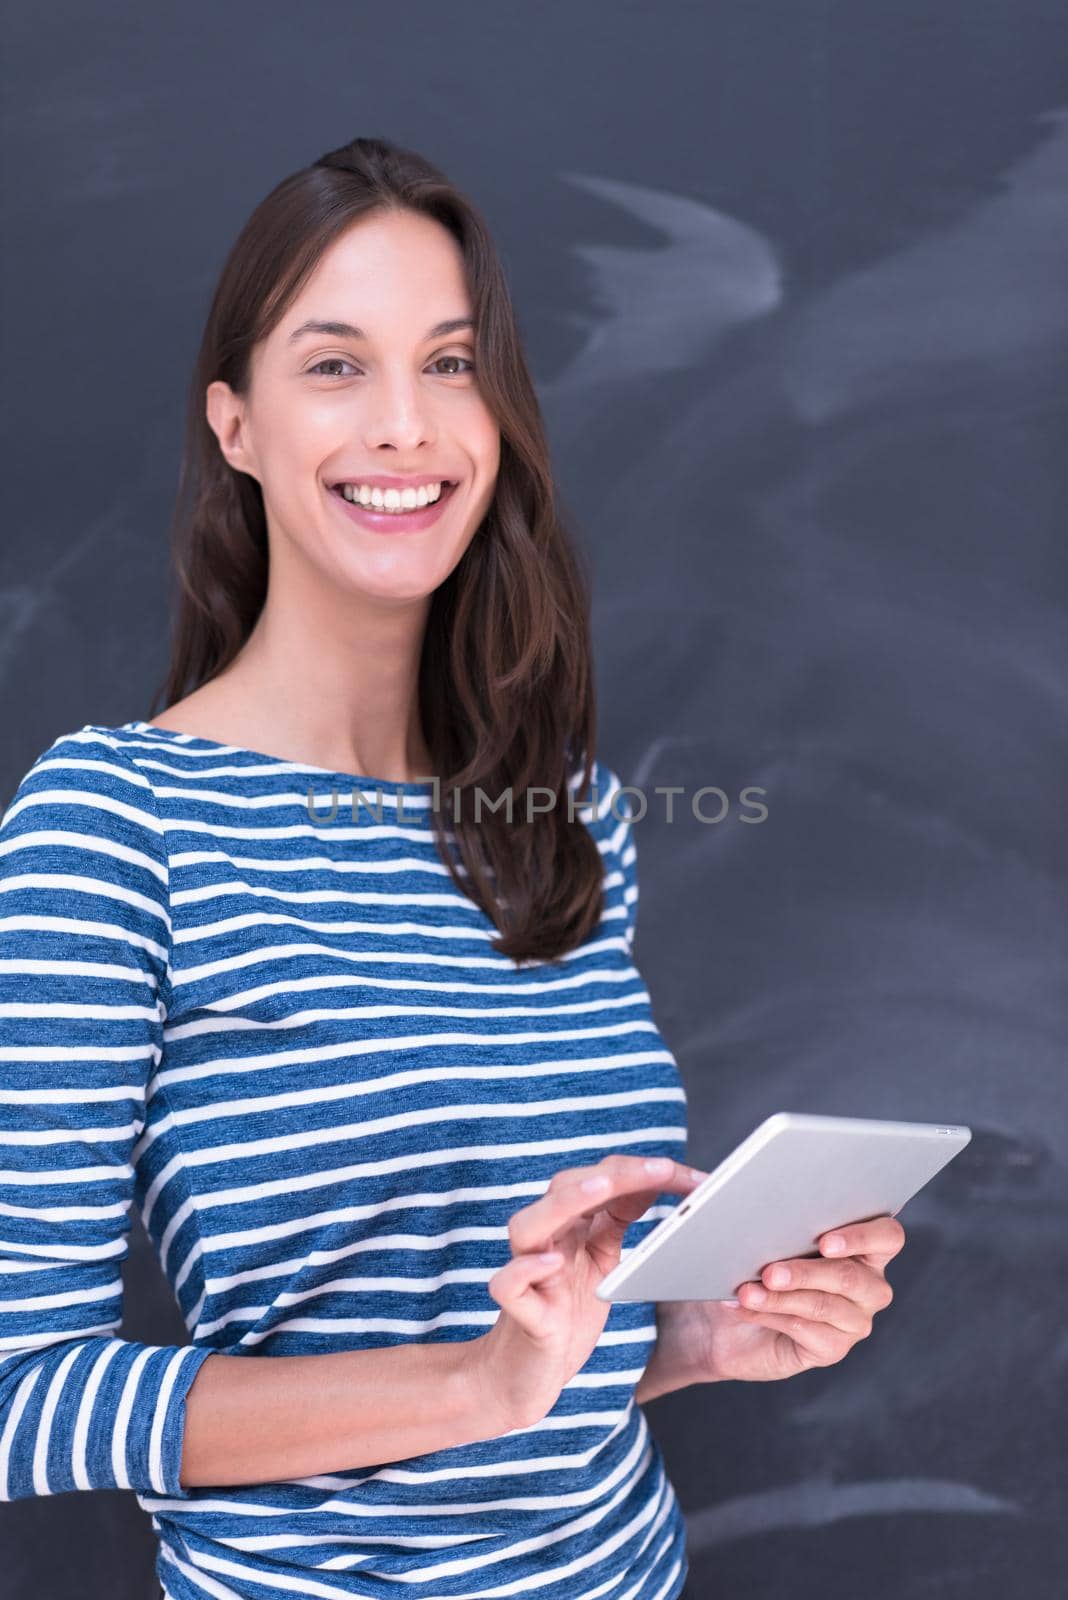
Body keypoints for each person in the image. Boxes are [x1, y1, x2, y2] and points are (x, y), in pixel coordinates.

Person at [0, 136, 903, 1600]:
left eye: (453, 361)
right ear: (234, 423)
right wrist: (475, 1386)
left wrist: (689, 1342)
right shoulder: (111, 824)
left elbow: (537, 1371)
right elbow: (21, 1403)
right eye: (336, 365)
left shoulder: (567, 815)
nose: (408, 426)